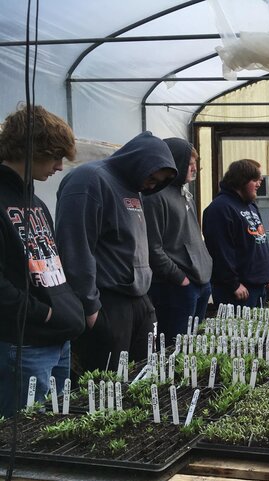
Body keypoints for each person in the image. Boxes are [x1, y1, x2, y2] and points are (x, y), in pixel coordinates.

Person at [55, 131, 176, 372]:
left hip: (139, 299)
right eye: (151, 176)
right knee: (107, 382)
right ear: (137, 161)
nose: (152, 184)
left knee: (143, 373)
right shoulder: (90, 180)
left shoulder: (133, 187)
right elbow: (75, 247)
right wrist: (90, 307)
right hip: (108, 300)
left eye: (159, 182)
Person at [0, 105, 84, 417]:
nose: (60, 167)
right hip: (22, 346)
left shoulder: (34, 202)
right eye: (55, 156)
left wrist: (67, 308)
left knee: (52, 432)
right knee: (20, 443)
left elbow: (51, 266)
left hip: (57, 341)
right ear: (30, 149)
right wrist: (45, 313)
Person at [144, 138, 213, 342]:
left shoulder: (184, 193)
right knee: (176, 346)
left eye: (195, 164)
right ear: (175, 162)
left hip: (199, 281)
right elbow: (152, 247)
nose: (194, 169)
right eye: (189, 163)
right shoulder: (155, 197)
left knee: (193, 344)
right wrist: (179, 278)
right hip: (176, 286)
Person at [202, 159, 269, 308]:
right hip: (239, 291)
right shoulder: (220, 208)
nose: (259, 184)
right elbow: (220, 251)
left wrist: (265, 276)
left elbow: (260, 242)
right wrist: (233, 284)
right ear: (241, 181)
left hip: (258, 286)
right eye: (254, 180)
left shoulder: (251, 206)